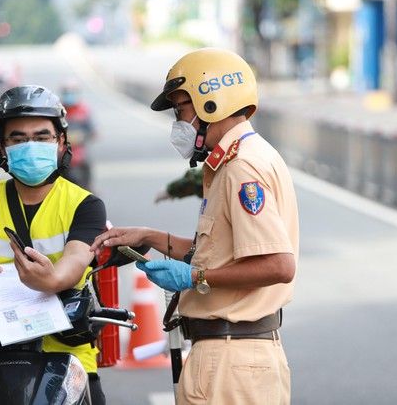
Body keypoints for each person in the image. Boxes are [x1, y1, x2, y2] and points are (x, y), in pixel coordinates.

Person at [90, 48, 299, 404]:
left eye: (181, 110)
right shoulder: (238, 159)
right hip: (234, 357)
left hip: (230, 362)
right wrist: (151, 237)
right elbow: (224, 252)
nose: (179, 123)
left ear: (211, 103)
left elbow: (278, 265)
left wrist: (195, 278)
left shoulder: (241, 168)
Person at [0, 85, 107, 404]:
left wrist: (54, 279)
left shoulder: (86, 204)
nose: (31, 146)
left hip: (65, 354)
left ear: (60, 142)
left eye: (42, 137)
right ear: (1, 146)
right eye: (17, 139)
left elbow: (75, 261)